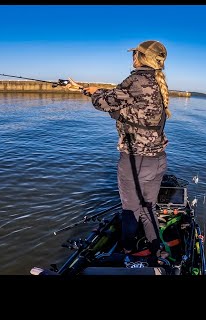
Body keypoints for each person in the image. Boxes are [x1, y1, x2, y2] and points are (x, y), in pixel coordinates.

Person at [66, 40, 171, 260]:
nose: (132, 57)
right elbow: (122, 98)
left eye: (134, 53)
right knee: (148, 209)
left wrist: (92, 94)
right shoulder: (156, 82)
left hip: (136, 160)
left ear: (140, 57)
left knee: (130, 209)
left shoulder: (136, 79)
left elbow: (106, 103)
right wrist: (87, 89)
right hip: (158, 160)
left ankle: (127, 251)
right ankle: (158, 251)